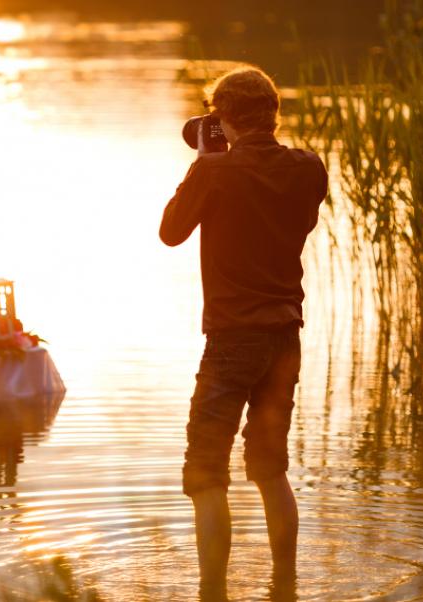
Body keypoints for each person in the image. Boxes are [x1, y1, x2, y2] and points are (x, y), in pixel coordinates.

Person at [159, 66, 328, 598]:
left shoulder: (214, 172)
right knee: (271, 467)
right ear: (273, 112)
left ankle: (212, 591)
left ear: (224, 117)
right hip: (285, 338)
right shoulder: (309, 168)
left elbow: (170, 232)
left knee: (206, 473)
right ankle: (285, 584)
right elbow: (297, 221)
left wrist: (204, 162)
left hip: (233, 341)